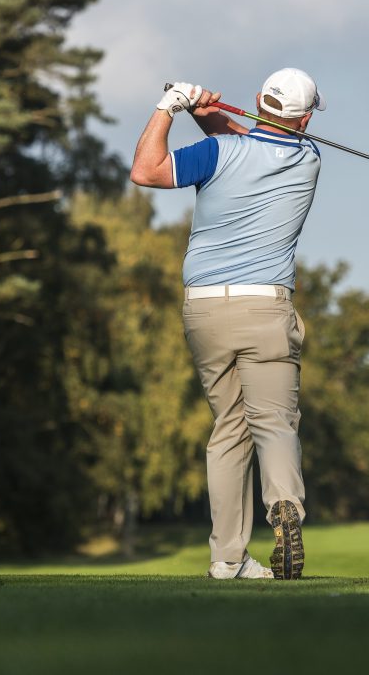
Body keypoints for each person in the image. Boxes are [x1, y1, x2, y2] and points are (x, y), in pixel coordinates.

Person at [129, 69, 326, 580]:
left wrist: (170, 106)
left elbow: (146, 171)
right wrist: (203, 112)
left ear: (260, 100)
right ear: (305, 118)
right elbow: (249, 137)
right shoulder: (308, 159)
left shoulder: (216, 155)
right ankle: (283, 506)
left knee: (229, 429)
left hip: (206, 311)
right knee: (275, 421)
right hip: (267, 310)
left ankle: (227, 559)